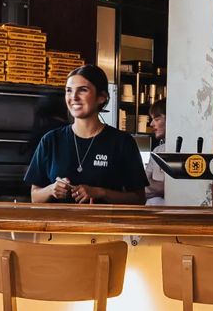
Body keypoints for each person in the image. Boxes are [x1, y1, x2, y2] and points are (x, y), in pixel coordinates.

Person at [25, 64, 147, 205]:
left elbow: (139, 199)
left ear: (101, 97)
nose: (74, 97)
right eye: (69, 91)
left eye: (83, 90)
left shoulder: (122, 142)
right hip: (60, 225)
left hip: (105, 226)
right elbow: (35, 196)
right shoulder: (50, 140)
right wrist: (51, 189)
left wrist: (101, 192)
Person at [143, 101, 169, 205]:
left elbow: (175, 188)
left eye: (157, 119)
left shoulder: (186, 150)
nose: (151, 124)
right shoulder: (157, 151)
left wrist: (162, 188)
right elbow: (141, 186)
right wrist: (160, 187)